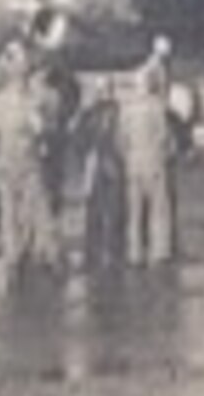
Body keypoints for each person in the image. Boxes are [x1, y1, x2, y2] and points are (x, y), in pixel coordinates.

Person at [0, 62, 50, 276]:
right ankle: (28, 249)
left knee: (8, 210)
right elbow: (40, 130)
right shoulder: (29, 102)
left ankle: (12, 255)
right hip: (26, 161)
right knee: (29, 207)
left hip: (3, 161)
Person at [117, 67, 179, 267]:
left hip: (133, 162)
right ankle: (159, 251)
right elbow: (166, 138)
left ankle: (134, 252)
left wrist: (127, 156)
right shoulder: (157, 107)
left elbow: (120, 139)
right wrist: (168, 154)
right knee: (159, 209)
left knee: (134, 210)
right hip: (154, 161)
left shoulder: (126, 108)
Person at [74, 77, 127, 269]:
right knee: (114, 211)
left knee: (93, 211)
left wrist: (84, 159)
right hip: (114, 164)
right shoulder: (120, 112)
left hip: (94, 163)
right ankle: (113, 252)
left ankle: (92, 252)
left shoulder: (88, 114)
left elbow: (78, 140)